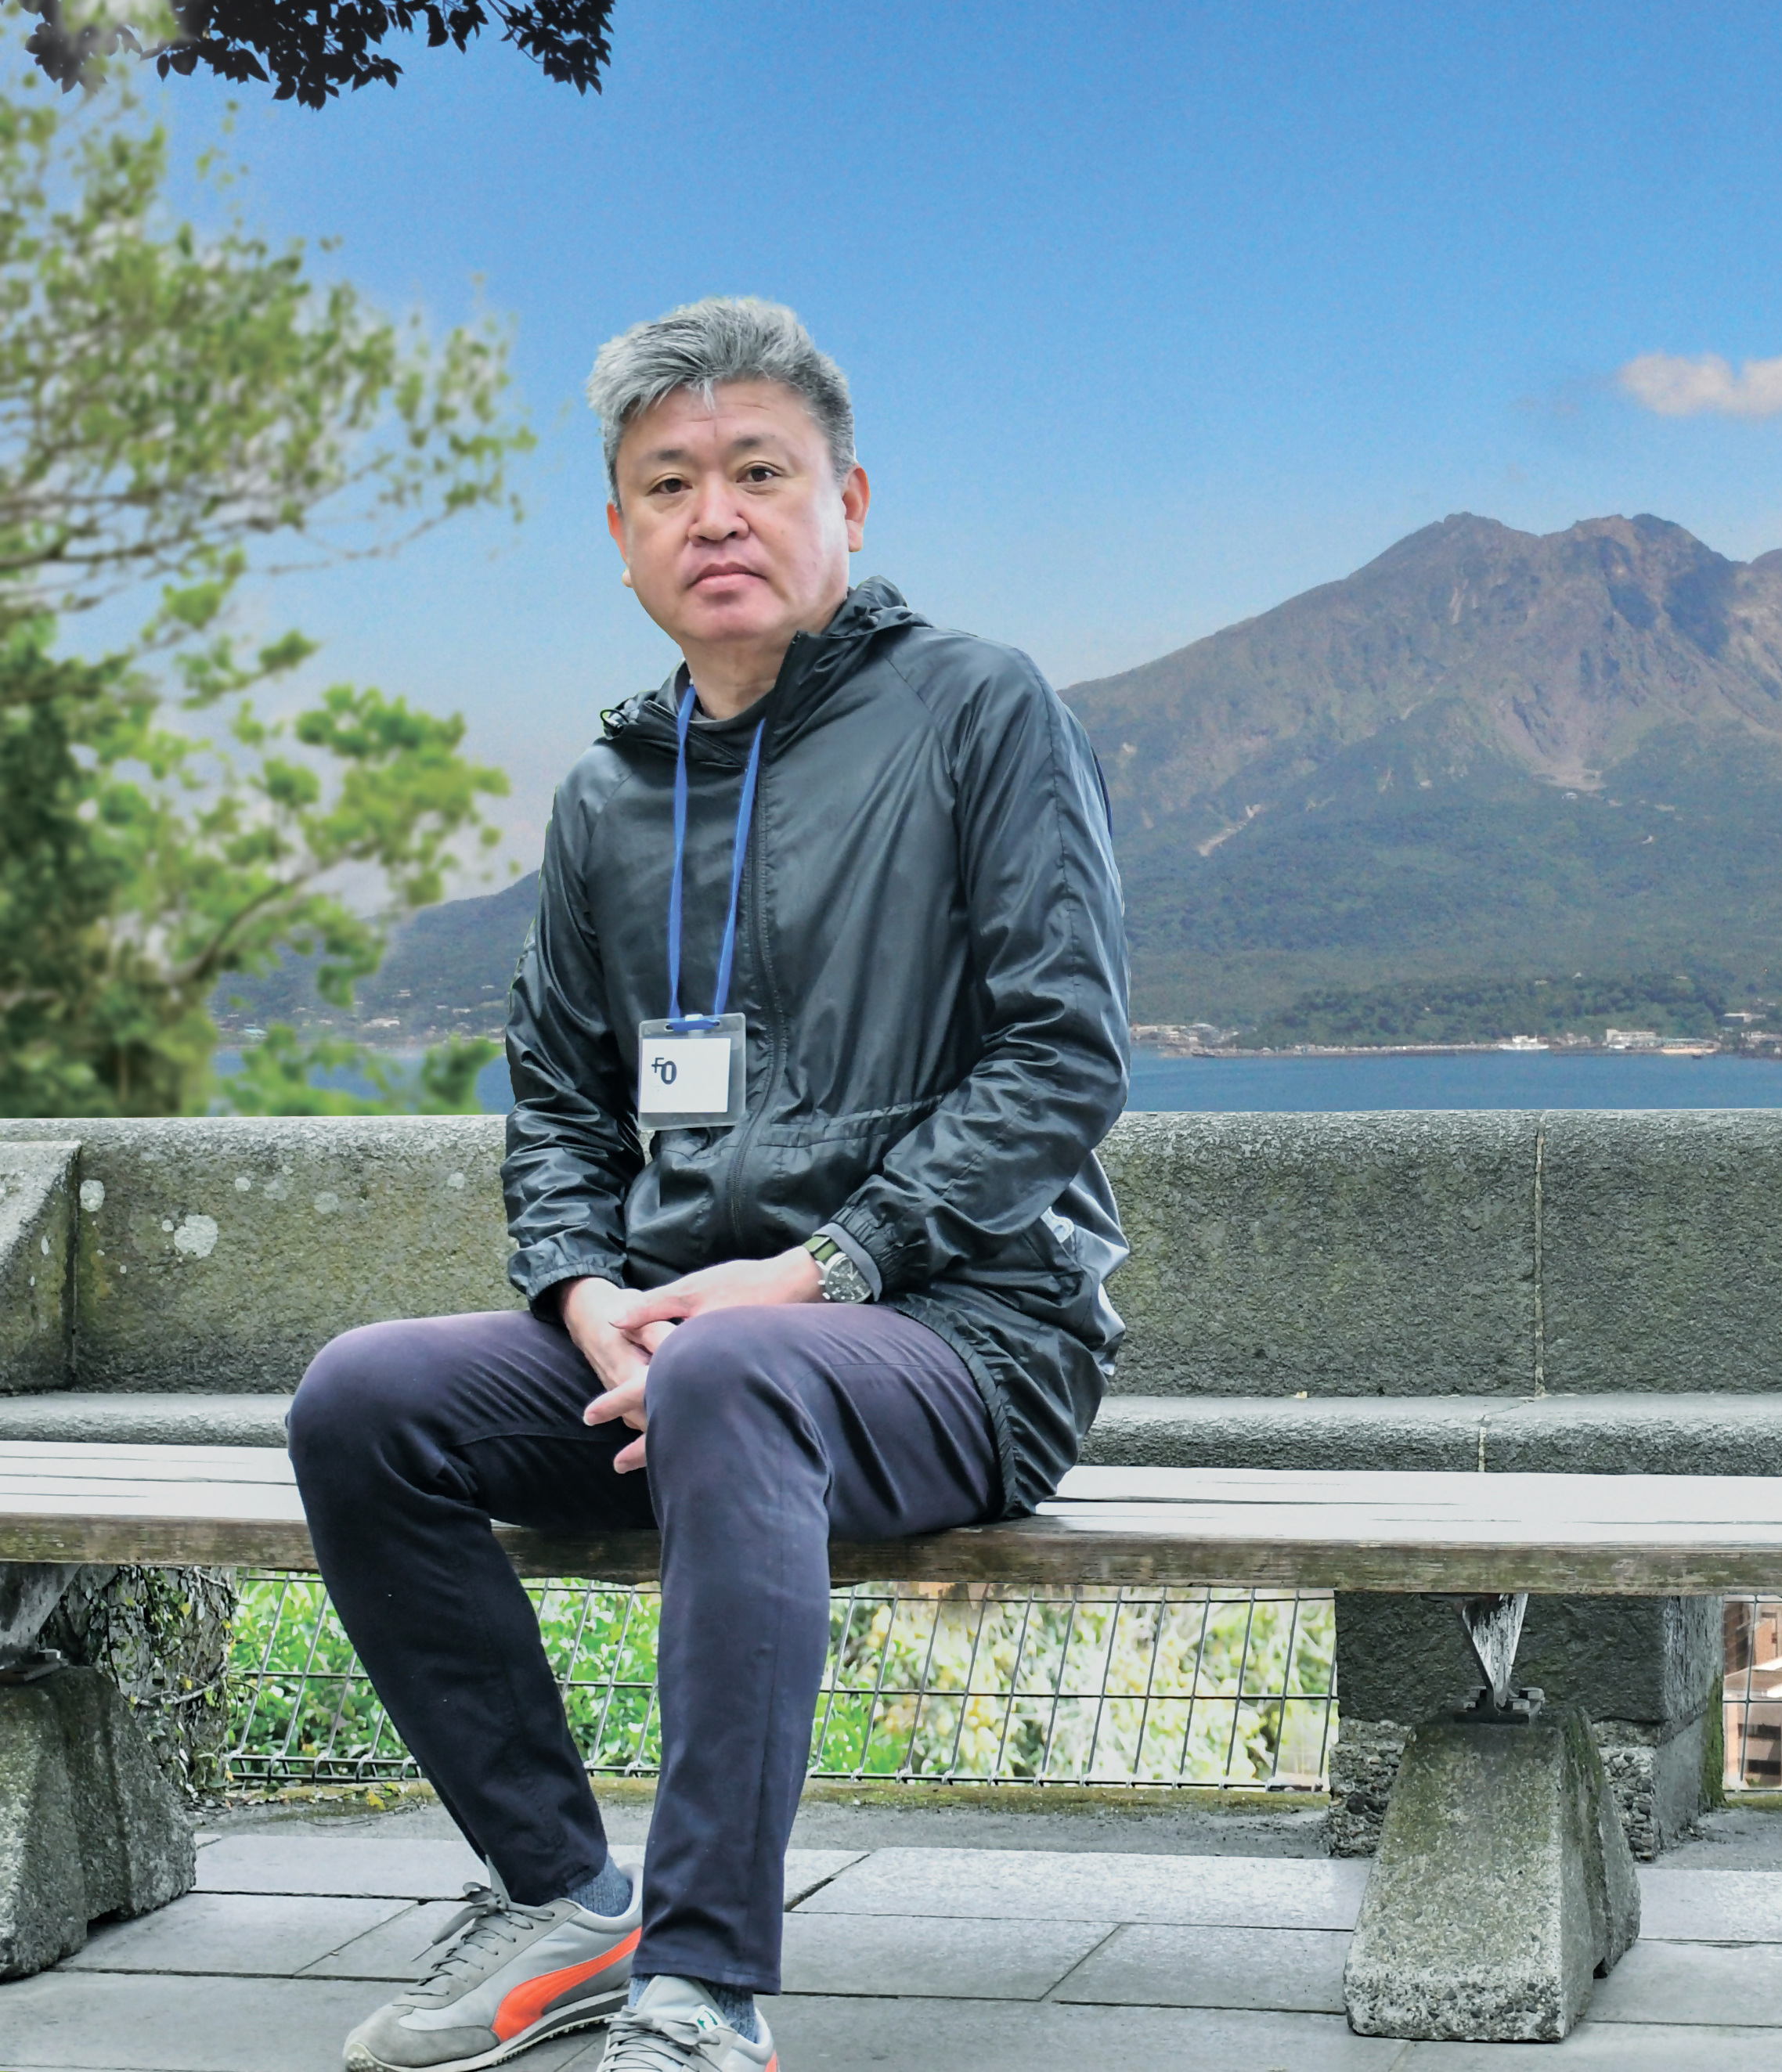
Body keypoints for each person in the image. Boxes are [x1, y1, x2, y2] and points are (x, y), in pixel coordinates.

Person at [286, 297, 1131, 2072]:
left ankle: (705, 1985)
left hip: (959, 1330)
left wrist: (822, 1267)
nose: (716, 514)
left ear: (847, 500)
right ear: (620, 537)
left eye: (760, 470)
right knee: (366, 1399)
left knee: (745, 1368)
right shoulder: (609, 792)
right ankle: (559, 1897)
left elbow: (1060, 1061)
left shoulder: (978, 712)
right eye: (669, 482)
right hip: (672, 1333)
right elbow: (560, 1105)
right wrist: (579, 1290)